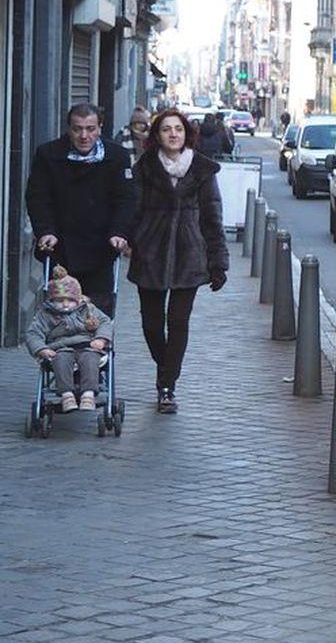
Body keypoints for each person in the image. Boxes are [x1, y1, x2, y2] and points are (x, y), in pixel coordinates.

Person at [128, 108, 228, 413]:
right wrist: (128, 239)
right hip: (150, 254)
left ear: (187, 134)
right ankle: (166, 368)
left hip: (189, 255)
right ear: (156, 136)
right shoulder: (145, 168)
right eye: (166, 129)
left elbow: (213, 218)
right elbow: (133, 210)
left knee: (179, 323)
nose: (173, 134)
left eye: (179, 129)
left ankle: (167, 387)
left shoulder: (202, 170)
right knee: (151, 325)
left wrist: (218, 263)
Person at [25, 103, 134, 319]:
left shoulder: (117, 157)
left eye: (90, 128)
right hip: (60, 248)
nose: (84, 135)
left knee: (97, 315)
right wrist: (45, 230)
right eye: (77, 129)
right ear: (69, 129)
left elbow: (127, 198)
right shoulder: (48, 154)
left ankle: (97, 351)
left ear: (100, 128)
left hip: (101, 248)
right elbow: (37, 197)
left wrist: (119, 232)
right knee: (60, 312)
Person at [25, 266, 114, 413]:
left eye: (70, 300)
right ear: (51, 300)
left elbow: (105, 322)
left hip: (87, 345)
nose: (65, 304)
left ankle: (89, 393)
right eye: (59, 300)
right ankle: (66, 394)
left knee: (90, 359)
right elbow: (33, 333)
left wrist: (101, 339)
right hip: (60, 348)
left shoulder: (88, 309)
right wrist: (41, 349)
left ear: (78, 299)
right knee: (61, 360)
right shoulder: (45, 314)